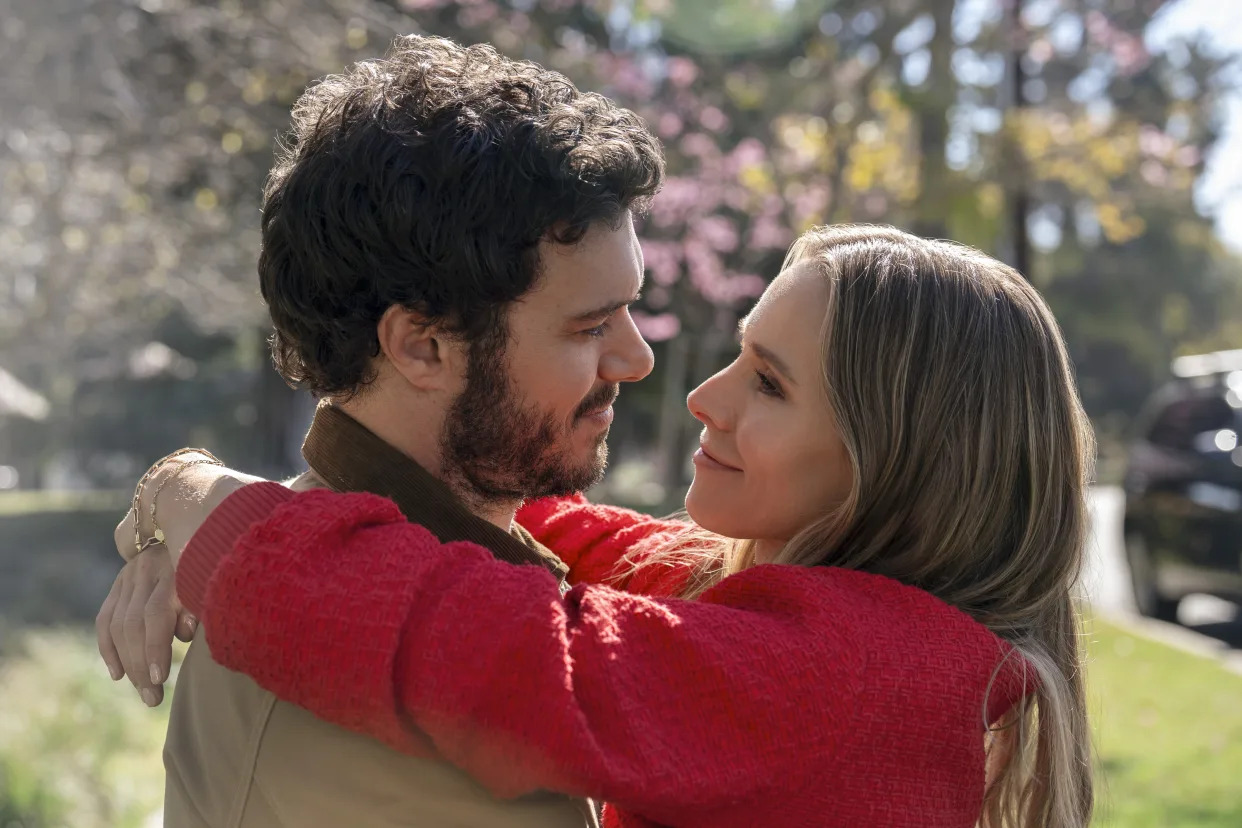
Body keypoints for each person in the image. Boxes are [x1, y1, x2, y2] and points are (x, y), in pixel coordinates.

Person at [103, 225, 1097, 828]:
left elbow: (475, 644)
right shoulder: (841, 627)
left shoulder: (847, 682)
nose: (704, 395)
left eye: (770, 383)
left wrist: (201, 503)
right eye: (739, 354)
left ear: (899, 461)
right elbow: (572, 536)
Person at [96, 34, 664, 828]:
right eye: (590, 327)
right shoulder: (370, 693)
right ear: (422, 345)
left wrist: (192, 494)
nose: (636, 359)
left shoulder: (298, 566)